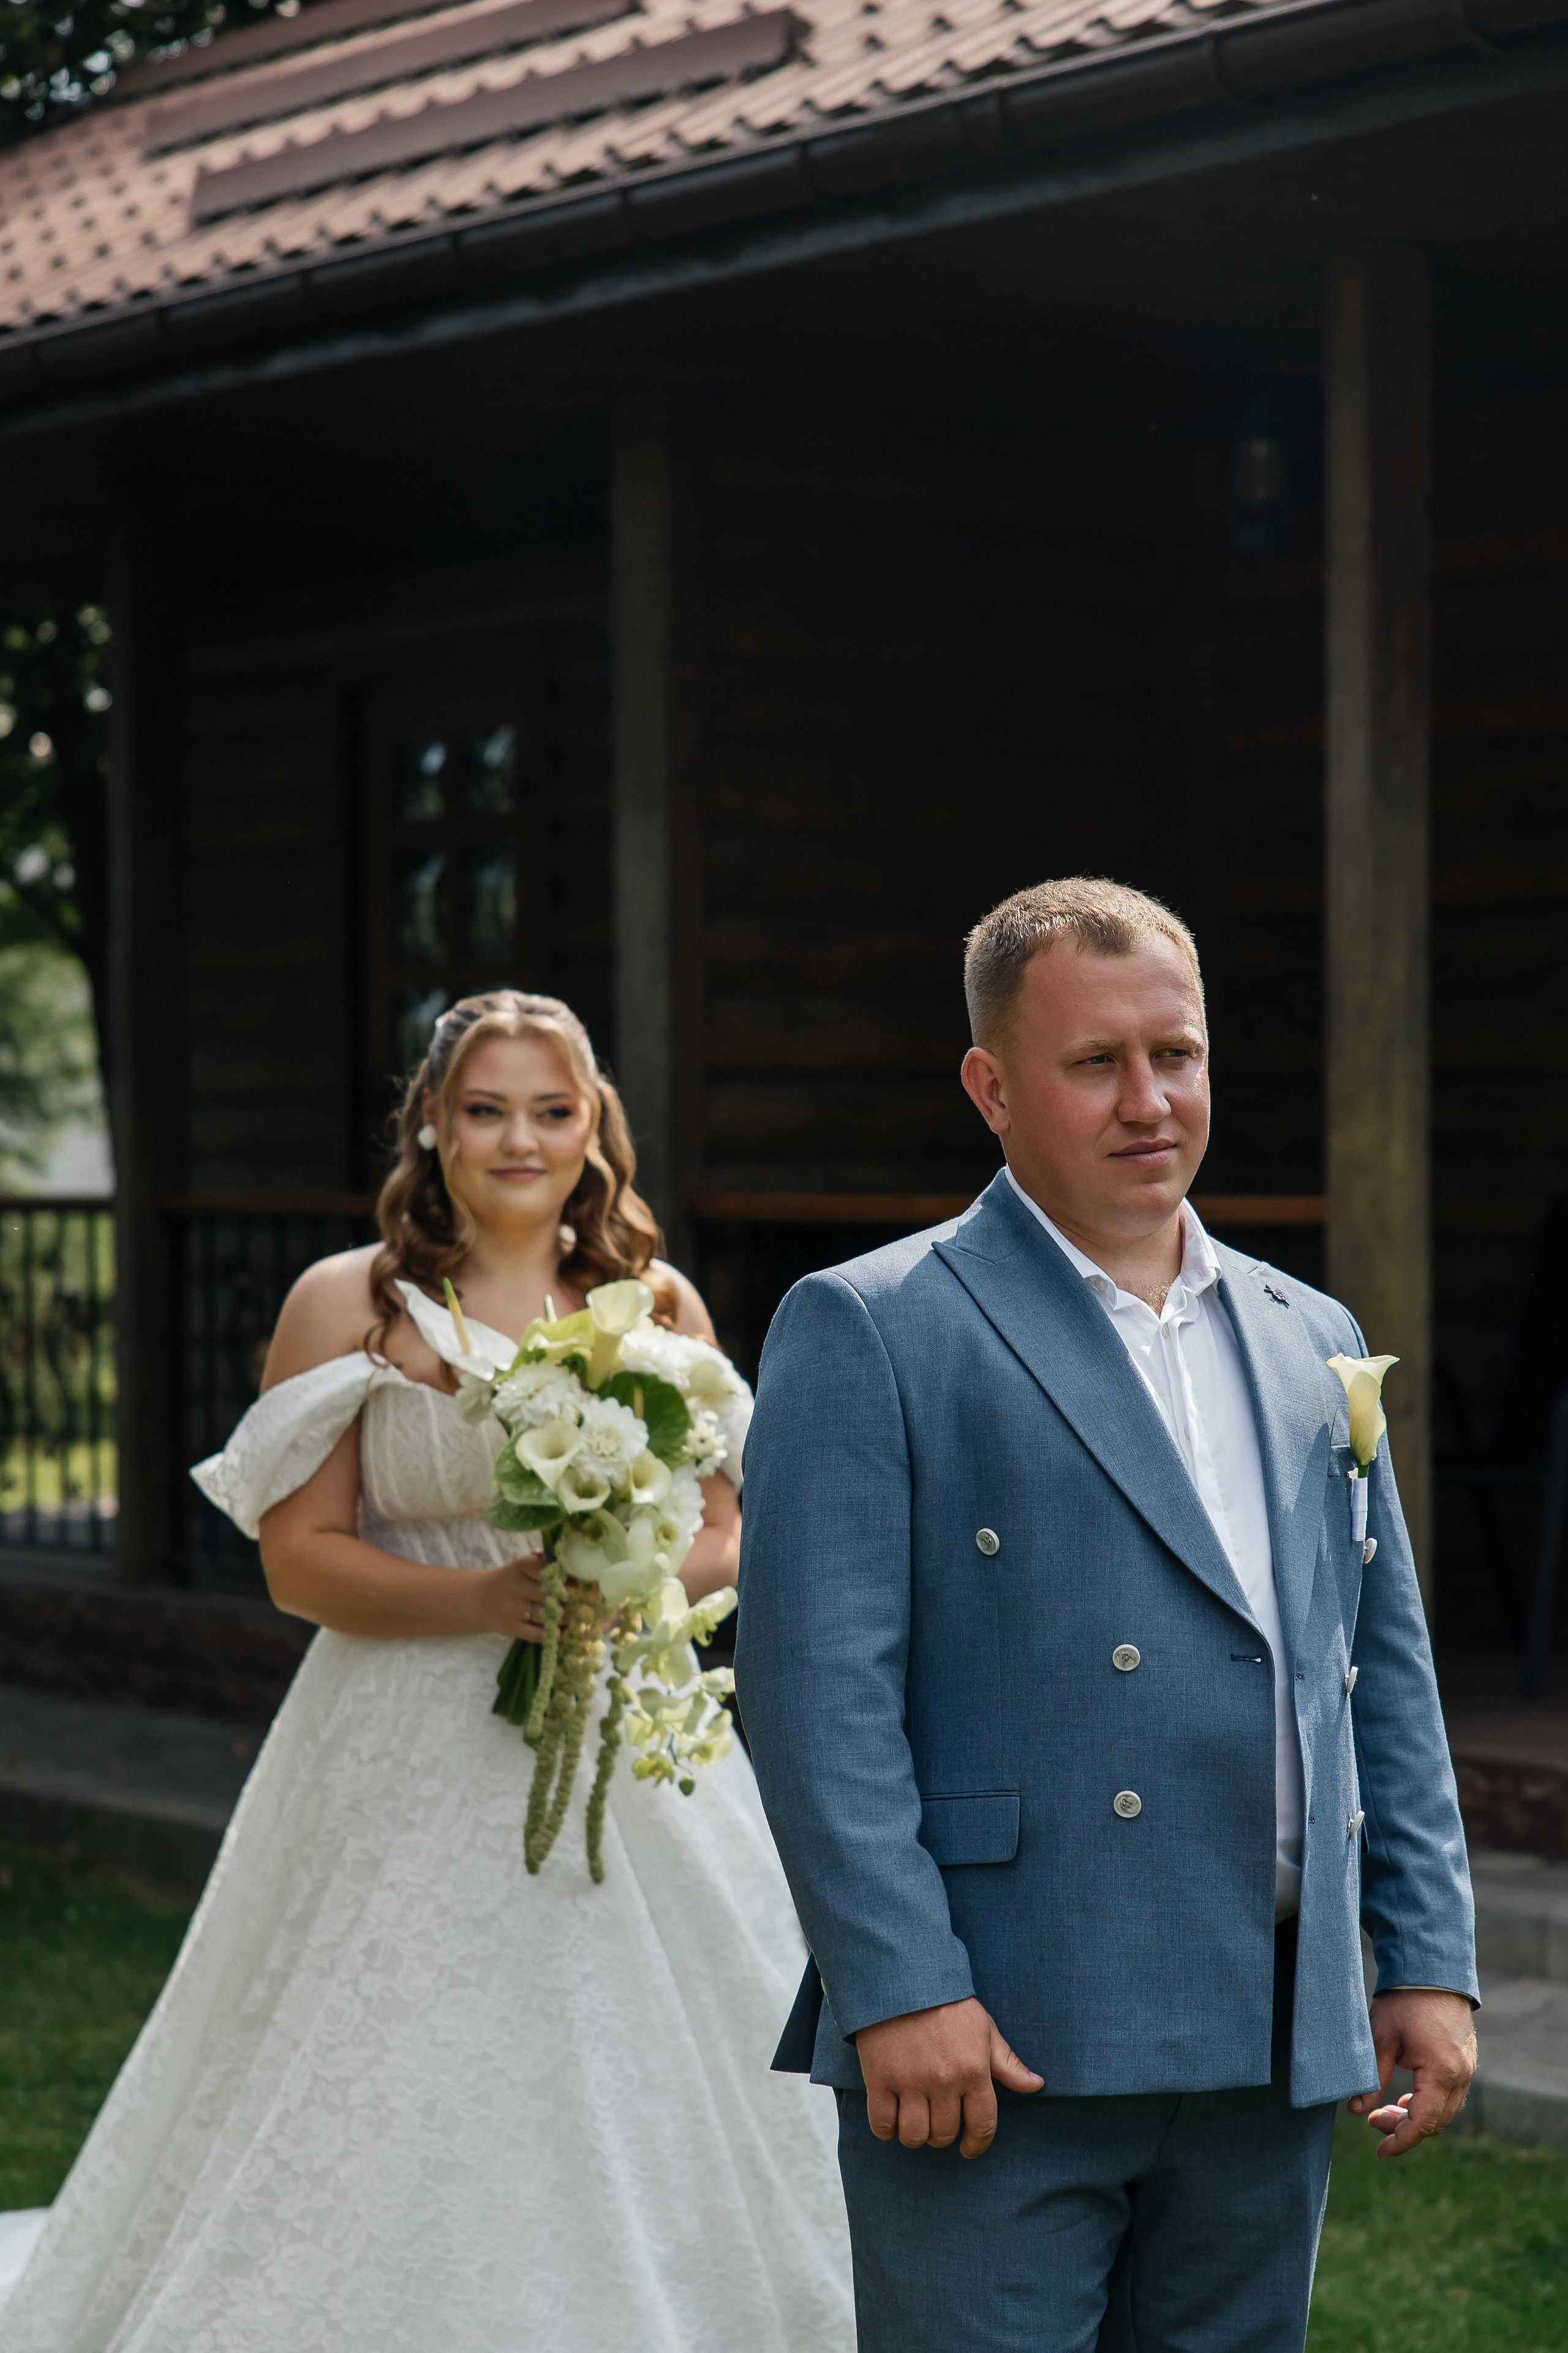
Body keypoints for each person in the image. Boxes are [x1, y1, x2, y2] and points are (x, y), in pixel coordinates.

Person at [0, 989, 853, 2353]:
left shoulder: (655, 1299)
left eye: (550, 1109)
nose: (519, 1138)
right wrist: (483, 1595)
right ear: (431, 1123)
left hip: (626, 1729)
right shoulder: (350, 1302)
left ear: (594, 1129)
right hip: (396, 1735)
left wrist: (616, 1574)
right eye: (484, 1108)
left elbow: (725, 1537)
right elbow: (301, 1561)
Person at [736, 879, 1477, 2353]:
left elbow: (1373, 1668)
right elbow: (814, 1694)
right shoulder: (876, 1323)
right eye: (1094, 1064)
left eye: (1176, 1055)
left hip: (1267, 2023)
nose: (1149, 1101)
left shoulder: (1307, 1333)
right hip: (996, 2028)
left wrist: (1423, 1952)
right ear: (990, 1087)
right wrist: (898, 1985)